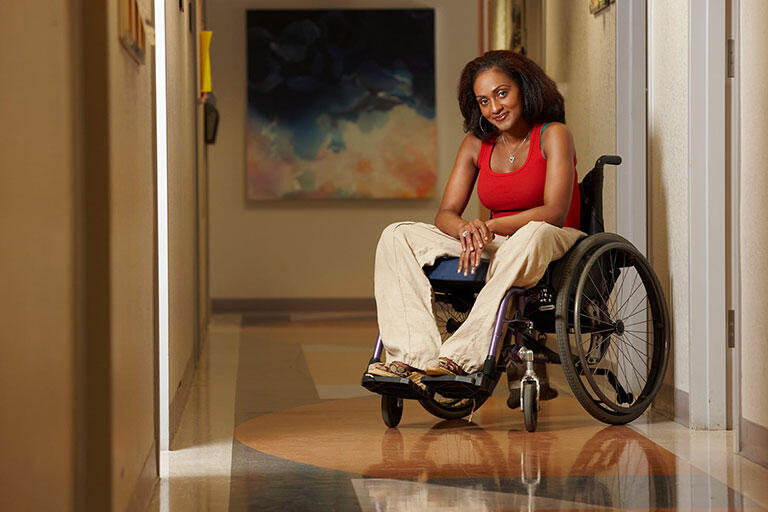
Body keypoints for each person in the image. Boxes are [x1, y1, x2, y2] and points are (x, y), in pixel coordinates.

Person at [367, 50, 585, 387]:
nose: (494, 108)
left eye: (502, 93)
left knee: (533, 232)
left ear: (524, 89)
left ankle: (461, 356)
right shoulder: (475, 144)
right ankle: (411, 359)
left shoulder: (553, 134)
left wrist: (489, 226)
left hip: (551, 239)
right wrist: (467, 228)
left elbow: (554, 211)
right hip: (496, 244)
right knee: (396, 235)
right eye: (483, 101)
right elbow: (446, 214)